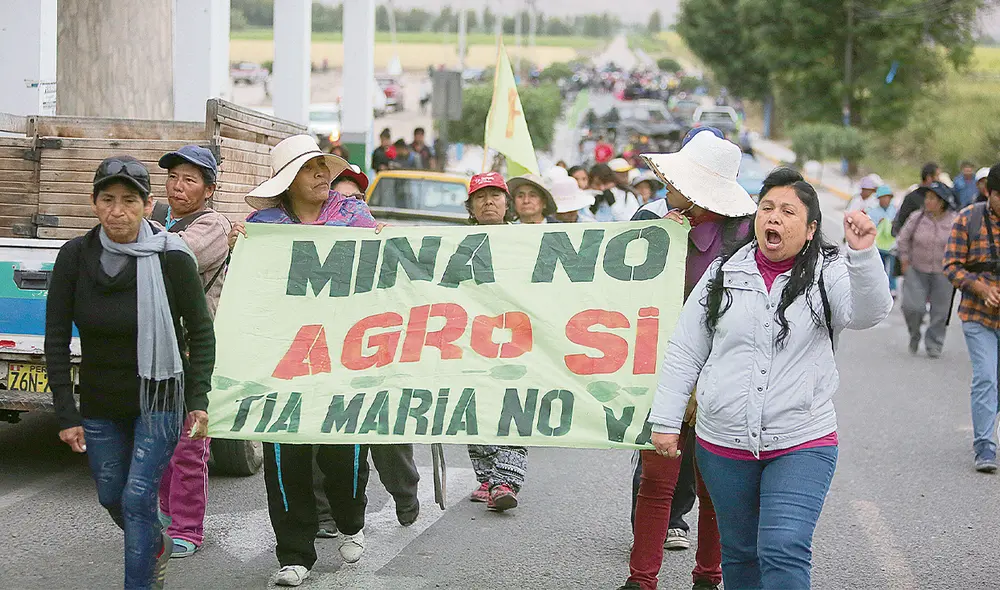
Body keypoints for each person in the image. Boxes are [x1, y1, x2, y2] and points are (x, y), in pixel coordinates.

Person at [648, 167, 892, 590]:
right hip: (722, 443)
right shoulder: (725, 271)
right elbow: (686, 349)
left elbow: (869, 313)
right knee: (740, 554)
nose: (774, 218)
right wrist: (667, 421)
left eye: (788, 211)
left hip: (802, 439)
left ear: (811, 227)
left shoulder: (829, 270)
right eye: (767, 208)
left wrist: (864, 255)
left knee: (783, 546)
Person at [45, 156, 216, 589]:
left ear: (148, 204)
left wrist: (197, 399)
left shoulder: (172, 258)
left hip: (159, 398)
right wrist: (66, 413)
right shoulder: (75, 256)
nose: (116, 211)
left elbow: (200, 330)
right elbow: (55, 338)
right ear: (93, 202)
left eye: (128, 201)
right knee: (112, 497)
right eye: (107, 199)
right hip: (102, 399)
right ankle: (154, 543)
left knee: (139, 497)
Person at [235, 135, 383, 586]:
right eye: (310, 167)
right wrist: (242, 247)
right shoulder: (262, 225)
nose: (323, 173)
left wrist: (384, 246)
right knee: (284, 457)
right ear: (288, 181)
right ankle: (294, 554)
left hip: (345, 354)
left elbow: (381, 272)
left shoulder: (355, 216)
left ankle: (351, 521)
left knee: (345, 451)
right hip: (284, 358)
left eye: (324, 165)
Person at [620, 129, 757, 590]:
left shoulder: (744, 239)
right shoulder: (651, 223)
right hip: (663, 370)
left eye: (674, 180)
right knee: (656, 479)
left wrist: (708, 380)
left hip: (722, 376)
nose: (665, 186)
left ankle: (709, 575)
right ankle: (642, 579)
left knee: (715, 482)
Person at [152, 145, 232, 559]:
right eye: (173, 178)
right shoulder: (161, 223)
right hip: (155, 348)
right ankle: (167, 514)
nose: (178, 186)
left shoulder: (213, 225)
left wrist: (137, 236)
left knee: (188, 445)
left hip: (191, 350)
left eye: (189, 179)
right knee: (157, 439)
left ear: (209, 189)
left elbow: (176, 256)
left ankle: (188, 527)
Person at [463, 171, 527, 511]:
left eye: (495, 195)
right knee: (474, 407)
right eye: (480, 197)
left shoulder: (529, 241)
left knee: (514, 406)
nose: (488, 201)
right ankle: (487, 479)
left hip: (518, 338)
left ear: (507, 204)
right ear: (471, 207)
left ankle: (506, 481)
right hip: (470, 339)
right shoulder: (455, 244)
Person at [943, 163, 1000, 474]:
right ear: (988, 193)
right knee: (986, 377)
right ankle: (984, 445)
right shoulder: (968, 219)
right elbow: (951, 265)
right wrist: (980, 288)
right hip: (978, 316)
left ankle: (987, 419)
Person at [896, 183, 958, 358]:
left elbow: (961, 244)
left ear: (942, 202)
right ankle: (914, 334)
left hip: (943, 272)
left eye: (932, 198)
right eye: (927, 197)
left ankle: (934, 344)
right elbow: (902, 239)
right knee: (912, 307)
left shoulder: (954, 220)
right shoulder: (917, 218)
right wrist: (905, 260)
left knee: (940, 311)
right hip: (916, 269)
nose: (927, 201)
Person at [867, 185, 898, 297]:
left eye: (887, 197)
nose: (885, 200)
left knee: (892, 269)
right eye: (882, 197)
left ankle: (892, 288)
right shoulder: (873, 212)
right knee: (881, 268)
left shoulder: (895, 210)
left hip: (892, 244)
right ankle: (881, 287)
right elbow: (870, 226)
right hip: (879, 245)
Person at [893, 162, 941, 235]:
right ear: (929, 178)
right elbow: (900, 223)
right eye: (937, 176)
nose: (939, 179)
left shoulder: (940, 198)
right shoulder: (911, 198)